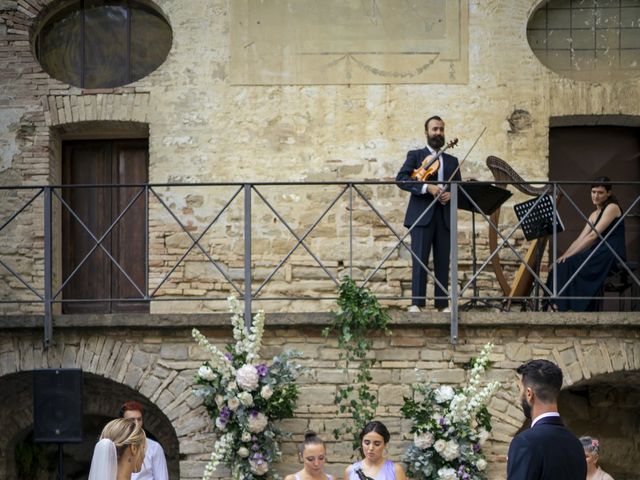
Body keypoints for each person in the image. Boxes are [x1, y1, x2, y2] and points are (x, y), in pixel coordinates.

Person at [396, 115, 461, 312]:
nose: (438, 133)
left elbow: (458, 186)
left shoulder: (452, 160)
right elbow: (401, 179)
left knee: (443, 260)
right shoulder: (416, 156)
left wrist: (452, 194)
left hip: (444, 216)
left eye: (441, 129)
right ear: (427, 132)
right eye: (434, 129)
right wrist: (427, 188)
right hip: (421, 216)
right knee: (420, 260)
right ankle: (417, 303)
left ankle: (442, 304)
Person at [546, 176, 626, 312]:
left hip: (610, 253)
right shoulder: (594, 214)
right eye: (593, 192)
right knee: (561, 264)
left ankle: (562, 306)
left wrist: (568, 257)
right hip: (598, 251)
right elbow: (579, 239)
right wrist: (564, 256)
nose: (596, 196)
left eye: (600, 192)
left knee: (570, 264)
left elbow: (593, 236)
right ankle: (555, 304)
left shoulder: (612, 207)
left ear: (609, 193)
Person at [507, 359, 586, 480]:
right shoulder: (576, 444)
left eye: (520, 390)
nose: (518, 398)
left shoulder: (525, 442)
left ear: (529, 394)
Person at [119, 401, 169, 480]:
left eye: (139, 419)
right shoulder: (115, 445)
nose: (136, 423)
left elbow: (162, 478)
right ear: (122, 422)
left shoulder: (155, 447)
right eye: (132, 420)